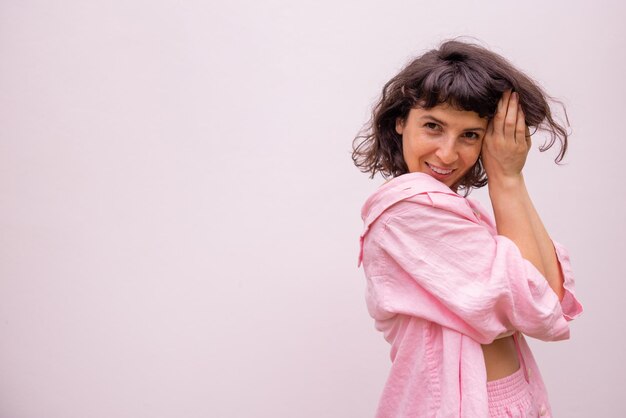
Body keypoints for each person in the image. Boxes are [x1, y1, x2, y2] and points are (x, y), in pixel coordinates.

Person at [352, 40, 584, 418]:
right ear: (400, 121)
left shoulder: (459, 211)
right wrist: (506, 180)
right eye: (433, 126)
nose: (447, 153)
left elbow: (550, 296)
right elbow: (537, 308)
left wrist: (509, 177)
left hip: (508, 398)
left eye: (470, 135)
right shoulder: (408, 211)